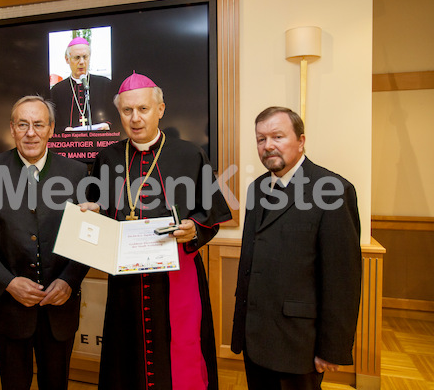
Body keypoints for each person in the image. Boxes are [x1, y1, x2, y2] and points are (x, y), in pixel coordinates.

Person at [80, 72, 232, 389]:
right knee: (127, 357)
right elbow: (98, 213)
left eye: (144, 109)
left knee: (179, 356)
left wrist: (195, 230)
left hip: (176, 277)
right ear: (118, 113)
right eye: (126, 111)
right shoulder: (106, 158)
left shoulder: (190, 155)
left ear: (160, 109)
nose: (135, 119)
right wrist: (92, 214)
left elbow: (211, 214)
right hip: (126, 283)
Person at [0, 95, 89, 390]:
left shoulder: (77, 173)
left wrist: (69, 281)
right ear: (12, 129)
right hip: (8, 311)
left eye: (39, 124)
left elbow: (86, 238)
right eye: (23, 124)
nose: (31, 132)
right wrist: (8, 282)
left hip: (59, 308)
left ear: (52, 130)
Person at [231, 106, 362, 390]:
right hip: (255, 336)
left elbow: (343, 279)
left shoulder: (333, 191)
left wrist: (333, 347)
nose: (268, 146)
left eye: (277, 136)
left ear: (301, 141)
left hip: (298, 342)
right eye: (261, 139)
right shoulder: (256, 189)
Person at [50, 36, 115, 131]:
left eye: (85, 57)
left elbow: (115, 116)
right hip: (69, 143)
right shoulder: (57, 90)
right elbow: (52, 123)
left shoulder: (105, 84)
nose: (82, 62)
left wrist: (107, 125)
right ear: (67, 59)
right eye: (77, 57)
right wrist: (64, 130)